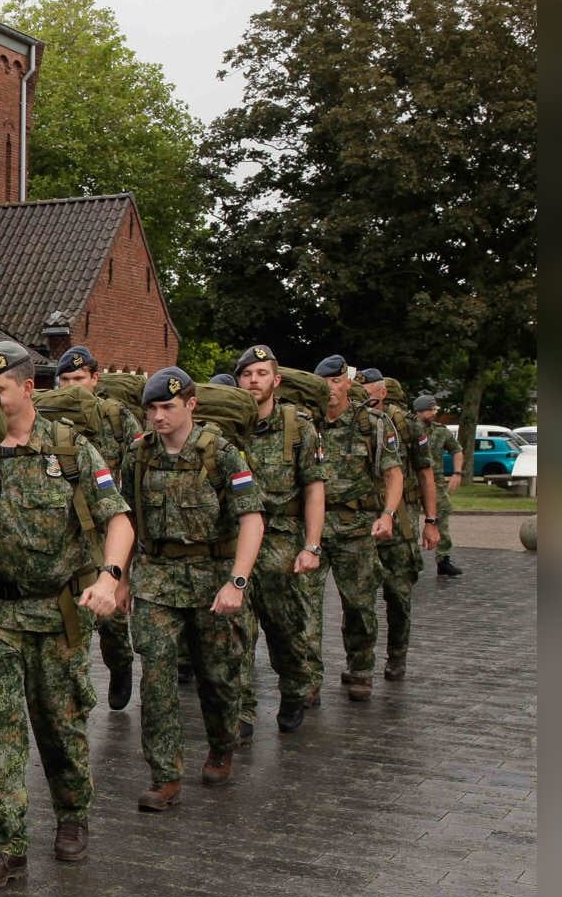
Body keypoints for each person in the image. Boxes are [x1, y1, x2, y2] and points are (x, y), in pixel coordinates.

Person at [0, 340, 132, 877]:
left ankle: (72, 814)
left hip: (59, 614)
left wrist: (110, 577)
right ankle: (5, 843)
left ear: (28, 389)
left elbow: (119, 519)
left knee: (61, 727)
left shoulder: (69, 449)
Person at [127, 367, 265, 809]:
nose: (158, 417)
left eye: (167, 406)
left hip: (213, 579)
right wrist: (120, 576)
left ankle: (222, 745)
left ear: (191, 404)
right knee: (156, 680)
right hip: (156, 579)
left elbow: (252, 519)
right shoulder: (139, 456)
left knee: (219, 677)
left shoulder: (223, 455)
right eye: (151, 408)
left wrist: (237, 582)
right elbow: (126, 520)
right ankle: (165, 775)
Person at [234, 346, 327, 733]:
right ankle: (241, 711)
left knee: (286, 631)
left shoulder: (298, 428)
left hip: (281, 542)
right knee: (235, 630)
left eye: (260, 373)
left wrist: (312, 545)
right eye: (246, 374)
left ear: (276, 380)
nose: (253, 380)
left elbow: (314, 489)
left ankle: (293, 688)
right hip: (238, 541)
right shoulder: (227, 427)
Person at [53, 345, 146, 711]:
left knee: (109, 620)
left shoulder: (116, 417)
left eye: (79, 379)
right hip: (66, 526)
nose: (73, 387)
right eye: (66, 380)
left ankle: (120, 664)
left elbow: (139, 467)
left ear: (95, 379)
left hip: (108, 523)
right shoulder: (52, 418)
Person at [312, 355, 402, 703]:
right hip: (314, 530)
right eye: (324, 384)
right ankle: (308, 676)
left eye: (335, 382)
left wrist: (389, 513)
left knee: (360, 605)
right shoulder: (307, 424)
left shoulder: (373, 423)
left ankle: (361, 668)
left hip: (357, 527)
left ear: (347, 382)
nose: (330, 390)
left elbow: (393, 473)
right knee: (304, 607)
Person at [363, 371, 440, 684]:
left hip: (401, 520)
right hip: (365, 518)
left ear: (382, 392)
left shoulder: (406, 424)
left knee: (398, 594)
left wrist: (432, 522)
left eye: (366, 388)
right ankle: (361, 662)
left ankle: (397, 654)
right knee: (359, 597)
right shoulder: (355, 423)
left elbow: (426, 474)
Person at [416, 394, 465, 576]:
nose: (434, 413)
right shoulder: (408, 428)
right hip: (411, 481)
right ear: (421, 411)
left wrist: (457, 472)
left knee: (442, 515)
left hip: (435, 482)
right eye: (432, 410)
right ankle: (409, 559)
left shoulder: (440, 431)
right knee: (408, 520)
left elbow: (457, 450)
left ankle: (443, 559)